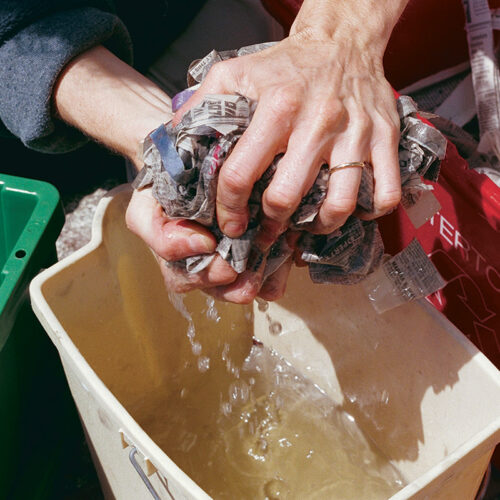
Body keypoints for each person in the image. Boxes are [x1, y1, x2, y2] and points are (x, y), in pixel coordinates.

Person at [1, 0, 409, 303]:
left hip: (181, 10)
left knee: (302, 160)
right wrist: (162, 144)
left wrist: (338, 42)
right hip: (33, 44)